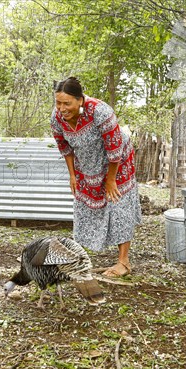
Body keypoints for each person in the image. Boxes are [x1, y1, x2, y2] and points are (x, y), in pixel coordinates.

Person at [51, 77, 141, 277]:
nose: (62, 108)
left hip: (117, 161)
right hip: (87, 164)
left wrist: (110, 180)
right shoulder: (56, 118)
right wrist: (72, 175)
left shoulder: (100, 111)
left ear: (80, 100)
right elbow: (64, 147)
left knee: (118, 204)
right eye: (58, 103)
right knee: (84, 205)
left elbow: (114, 148)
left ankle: (123, 262)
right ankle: (80, 258)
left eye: (67, 103)